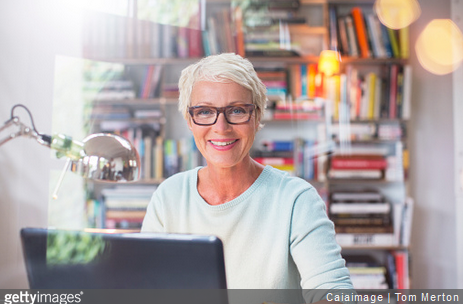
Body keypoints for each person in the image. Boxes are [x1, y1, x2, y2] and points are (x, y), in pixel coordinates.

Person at [141, 53, 353, 296]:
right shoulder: (169, 196)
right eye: (205, 112)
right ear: (190, 120)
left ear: (257, 116)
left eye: (238, 110)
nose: (221, 127)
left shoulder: (296, 199)